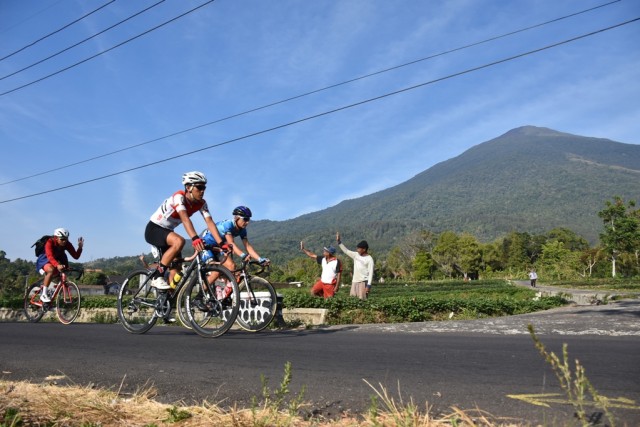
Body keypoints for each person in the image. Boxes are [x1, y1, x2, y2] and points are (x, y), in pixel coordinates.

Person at [144, 171, 225, 292]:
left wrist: (221, 244)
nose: (202, 190)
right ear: (189, 187)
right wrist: (194, 238)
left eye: (204, 188)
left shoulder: (201, 203)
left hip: (167, 232)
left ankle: (166, 301)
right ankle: (157, 277)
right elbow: (184, 218)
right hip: (154, 228)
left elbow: (210, 222)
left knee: (176, 270)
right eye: (199, 187)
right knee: (179, 241)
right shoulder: (179, 197)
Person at [200, 206, 269, 296]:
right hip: (206, 245)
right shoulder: (228, 225)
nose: (247, 222)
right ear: (236, 218)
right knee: (216, 271)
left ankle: (223, 296)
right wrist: (243, 255)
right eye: (245, 219)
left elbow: (248, 246)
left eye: (248, 220)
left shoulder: (243, 230)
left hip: (219, 247)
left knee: (232, 267)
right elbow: (231, 243)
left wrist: (260, 259)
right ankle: (199, 296)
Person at [35, 228, 84, 303]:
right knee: (51, 270)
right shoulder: (50, 242)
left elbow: (76, 256)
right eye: (62, 239)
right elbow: (50, 256)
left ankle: (51, 297)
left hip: (56, 260)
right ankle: (44, 294)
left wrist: (80, 248)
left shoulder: (67, 243)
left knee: (61, 279)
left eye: (66, 239)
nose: (64, 241)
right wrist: (57, 265)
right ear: (56, 238)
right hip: (44, 260)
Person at [336, 231, 374, 300]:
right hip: (355, 281)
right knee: (352, 299)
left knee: (362, 300)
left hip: (363, 282)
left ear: (364, 249)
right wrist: (339, 242)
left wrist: (369, 285)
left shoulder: (369, 259)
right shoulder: (356, 255)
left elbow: (371, 273)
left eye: (359, 249)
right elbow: (346, 251)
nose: (357, 250)